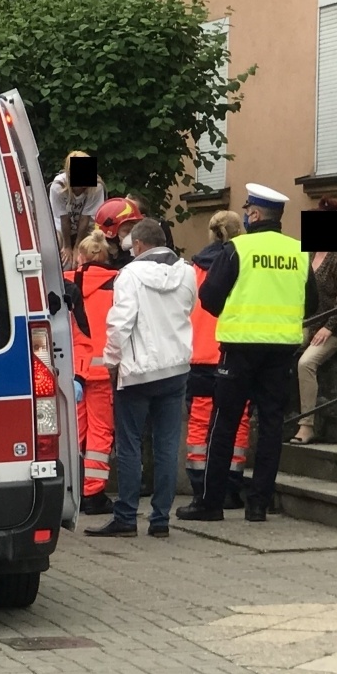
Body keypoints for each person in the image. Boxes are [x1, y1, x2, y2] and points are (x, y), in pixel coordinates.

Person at [180, 183, 313, 523]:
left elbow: (209, 296)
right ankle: (258, 505)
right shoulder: (299, 252)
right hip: (281, 350)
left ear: (254, 214)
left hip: (239, 348)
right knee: (270, 426)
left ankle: (210, 503)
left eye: (247, 210)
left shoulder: (238, 248)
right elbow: (311, 303)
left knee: (224, 422)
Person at [87, 219, 195, 538]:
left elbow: (120, 323)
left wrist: (111, 361)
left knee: (130, 443)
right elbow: (186, 310)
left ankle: (126, 517)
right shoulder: (187, 271)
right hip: (176, 368)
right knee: (166, 443)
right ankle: (160, 519)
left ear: (138, 246)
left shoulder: (129, 275)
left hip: (137, 371)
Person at [185, 211, 250, 507]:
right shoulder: (241, 265)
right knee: (237, 421)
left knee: (199, 422)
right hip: (231, 351)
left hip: (197, 353)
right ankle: (230, 487)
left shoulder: (193, 268)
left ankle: (200, 486)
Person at [68, 233, 119, 516]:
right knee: (100, 434)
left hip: (73, 369)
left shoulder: (65, 281)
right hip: (103, 370)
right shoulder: (117, 283)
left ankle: (70, 488)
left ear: (81, 257)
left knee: (75, 431)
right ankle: (93, 494)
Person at [292, 197, 337, 445]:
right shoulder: (307, 255)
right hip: (308, 323)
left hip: (333, 328)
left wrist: (328, 328)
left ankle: (306, 424)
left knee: (306, 363)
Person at [49, 151, 106, 267]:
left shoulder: (97, 187)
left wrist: (77, 247)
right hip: (61, 226)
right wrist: (67, 246)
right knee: (60, 253)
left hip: (87, 226)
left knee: (92, 248)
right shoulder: (58, 186)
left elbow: (85, 218)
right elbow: (63, 218)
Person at [93, 197, 143, 269]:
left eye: (133, 230)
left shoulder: (127, 259)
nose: (131, 235)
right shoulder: (94, 260)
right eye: (127, 231)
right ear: (110, 231)